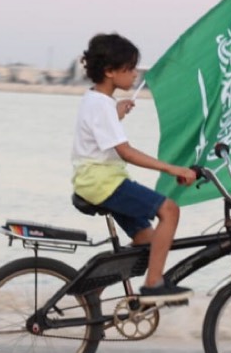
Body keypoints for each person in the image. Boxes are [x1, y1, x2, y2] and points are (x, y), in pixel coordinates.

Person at [71, 33, 197, 301]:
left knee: (146, 240)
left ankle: (94, 287)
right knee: (170, 210)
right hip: (104, 183)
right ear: (110, 71)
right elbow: (126, 152)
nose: (135, 74)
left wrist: (116, 113)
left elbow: (98, 131)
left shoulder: (96, 100)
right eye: (129, 69)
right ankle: (154, 284)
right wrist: (173, 169)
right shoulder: (102, 106)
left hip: (97, 181)